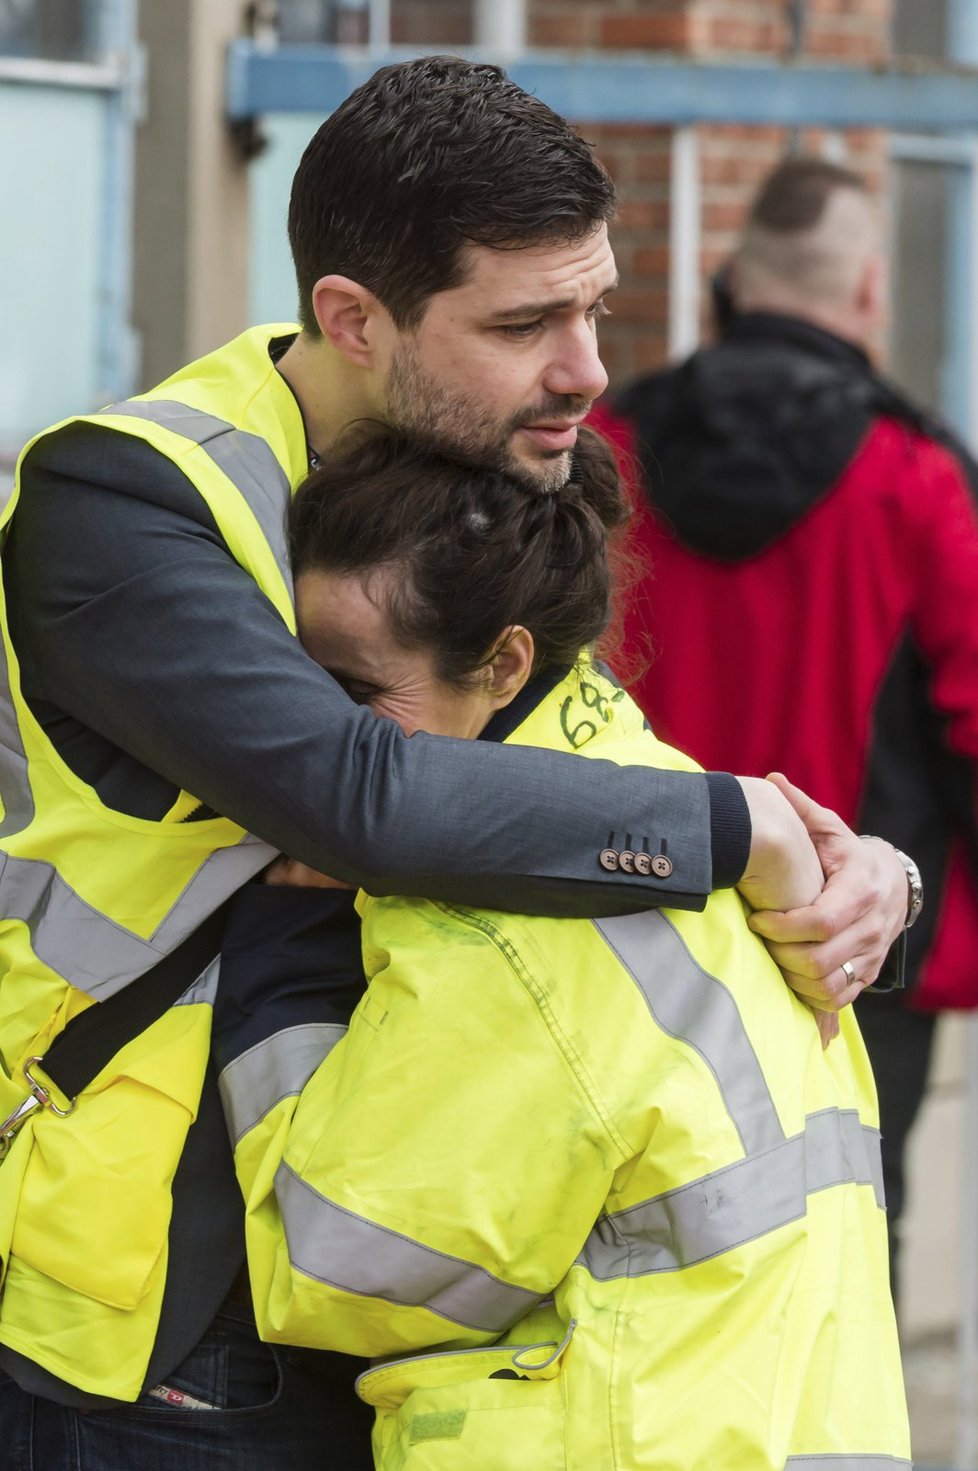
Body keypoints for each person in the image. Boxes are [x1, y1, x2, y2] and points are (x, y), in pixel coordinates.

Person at [0, 61, 909, 1465]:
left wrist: (858, 871)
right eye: (524, 321)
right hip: (147, 1314)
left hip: (399, 1296)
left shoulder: (481, 465)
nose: (588, 369)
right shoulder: (121, 504)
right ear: (351, 320)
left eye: (593, 307)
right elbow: (359, 796)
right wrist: (735, 827)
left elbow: (574, 764)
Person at [211, 423, 911, 1470]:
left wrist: (286, 946)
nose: (319, 744)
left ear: (504, 662)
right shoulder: (669, 809)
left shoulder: (503, 937)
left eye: (358, 696)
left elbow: (337, 1273)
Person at [592, 154, 973, 1303]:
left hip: (616, 925)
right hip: (853, 947)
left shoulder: (605, 451)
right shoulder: (918, 479)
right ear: (867, 292)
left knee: (616, 1254)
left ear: (724, 286)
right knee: (846, 1254)